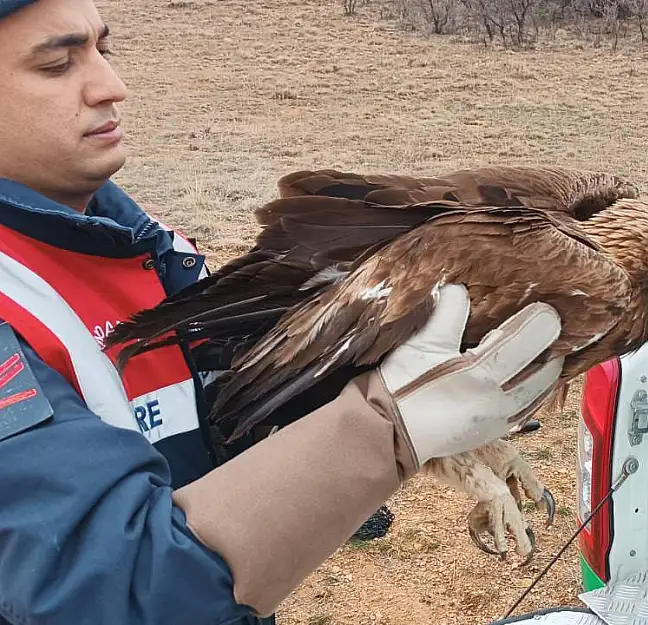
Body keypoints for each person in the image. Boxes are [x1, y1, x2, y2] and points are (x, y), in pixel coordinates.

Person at [0, 0, 566, 623]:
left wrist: (437, 430)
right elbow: (111, 590)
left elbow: (229, 424)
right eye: (57, 63)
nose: (113, 87)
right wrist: (380, 431)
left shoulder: (145, 249)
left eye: (104, 51)